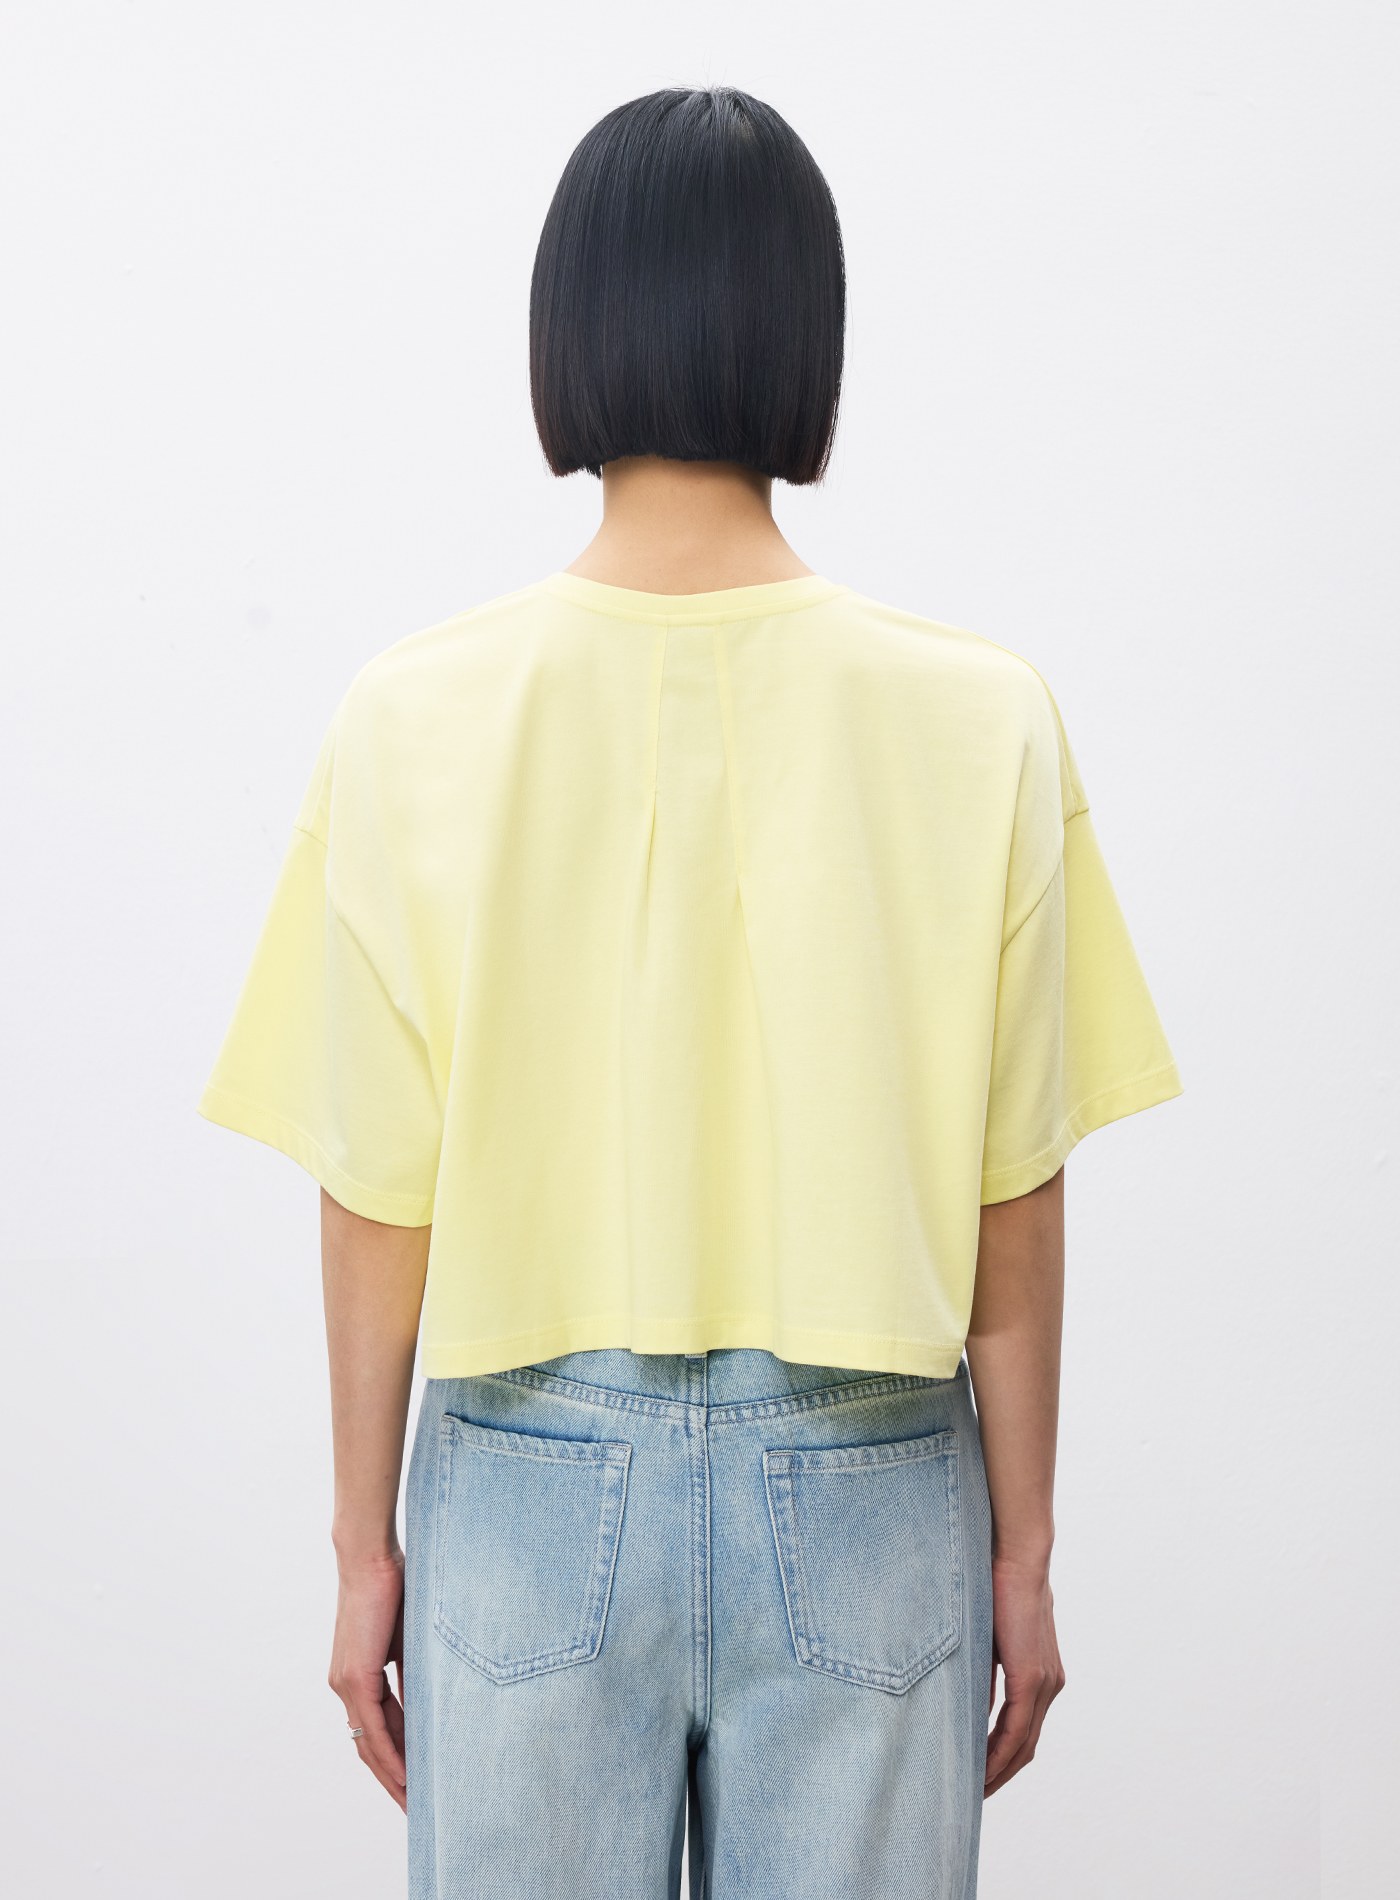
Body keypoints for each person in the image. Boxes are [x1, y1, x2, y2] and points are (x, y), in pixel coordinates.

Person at [196, 84, 1183, 1900]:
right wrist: (1025, 1552)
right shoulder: (984, 718)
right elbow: (1016, 1194)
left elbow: (376, 1194)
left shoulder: (412, 716)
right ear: (807, 342)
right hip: (874, 1475)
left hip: (524, 1473)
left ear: (566, 331)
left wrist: (362, 1553)